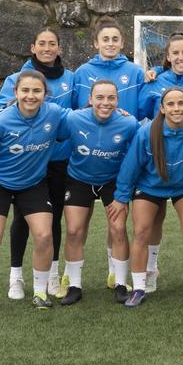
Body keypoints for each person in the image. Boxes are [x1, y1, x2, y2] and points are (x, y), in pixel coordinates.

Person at [112, 87, 183, 308]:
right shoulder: (146, 132)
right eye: (171, 104)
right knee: (141, 231)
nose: (176, 108)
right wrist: (121, 197)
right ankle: (139, 287)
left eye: (181, 103)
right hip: (150, 185)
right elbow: (130, 167)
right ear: (162, 108)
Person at [0, 71, 69, 313]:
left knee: (44, 236)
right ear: (15, 92)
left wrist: (115, 113)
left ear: (45, 94)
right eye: (25, 90)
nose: (30, 96)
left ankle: (40, 293)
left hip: (33, 184)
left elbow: (82, 119)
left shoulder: (54, 113)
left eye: (37, 91)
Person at [0, 27, 75, 300]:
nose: (47, 48)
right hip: (25, 160)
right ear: (33, 47)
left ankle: (51, 276)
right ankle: (16, 276)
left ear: (59, 48)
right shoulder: (16, 78)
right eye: (42, 43)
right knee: (22, 219)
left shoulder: (71, 78)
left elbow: (77, 115)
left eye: (52, 44)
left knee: (53, 219)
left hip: (58, 160)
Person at [72, 16, 147, 292]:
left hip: (121, 160)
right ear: (96, 43)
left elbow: (145, 108)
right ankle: (71, 278)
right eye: (106, 39)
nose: (111, 43)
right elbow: (74, 110)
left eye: (115, 39)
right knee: (76, 226)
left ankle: (115, 274)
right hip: (86, 159)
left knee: (117, 224)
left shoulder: (135, 72)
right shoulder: (82, 72)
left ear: (123, 42)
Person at [55, 80, 139, 305]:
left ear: (118, 101)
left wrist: (123, 192)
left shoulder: (129, 123)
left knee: (118, 228)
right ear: (90, 99)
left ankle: (120, 283)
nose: (105, 102)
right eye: (100, 97)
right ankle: (74, 285)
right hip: (79, 180)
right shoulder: (73, 119)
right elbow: (53, 131)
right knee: (74, 231)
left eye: (111, 98)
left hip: (112, 181)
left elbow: (135, 156)